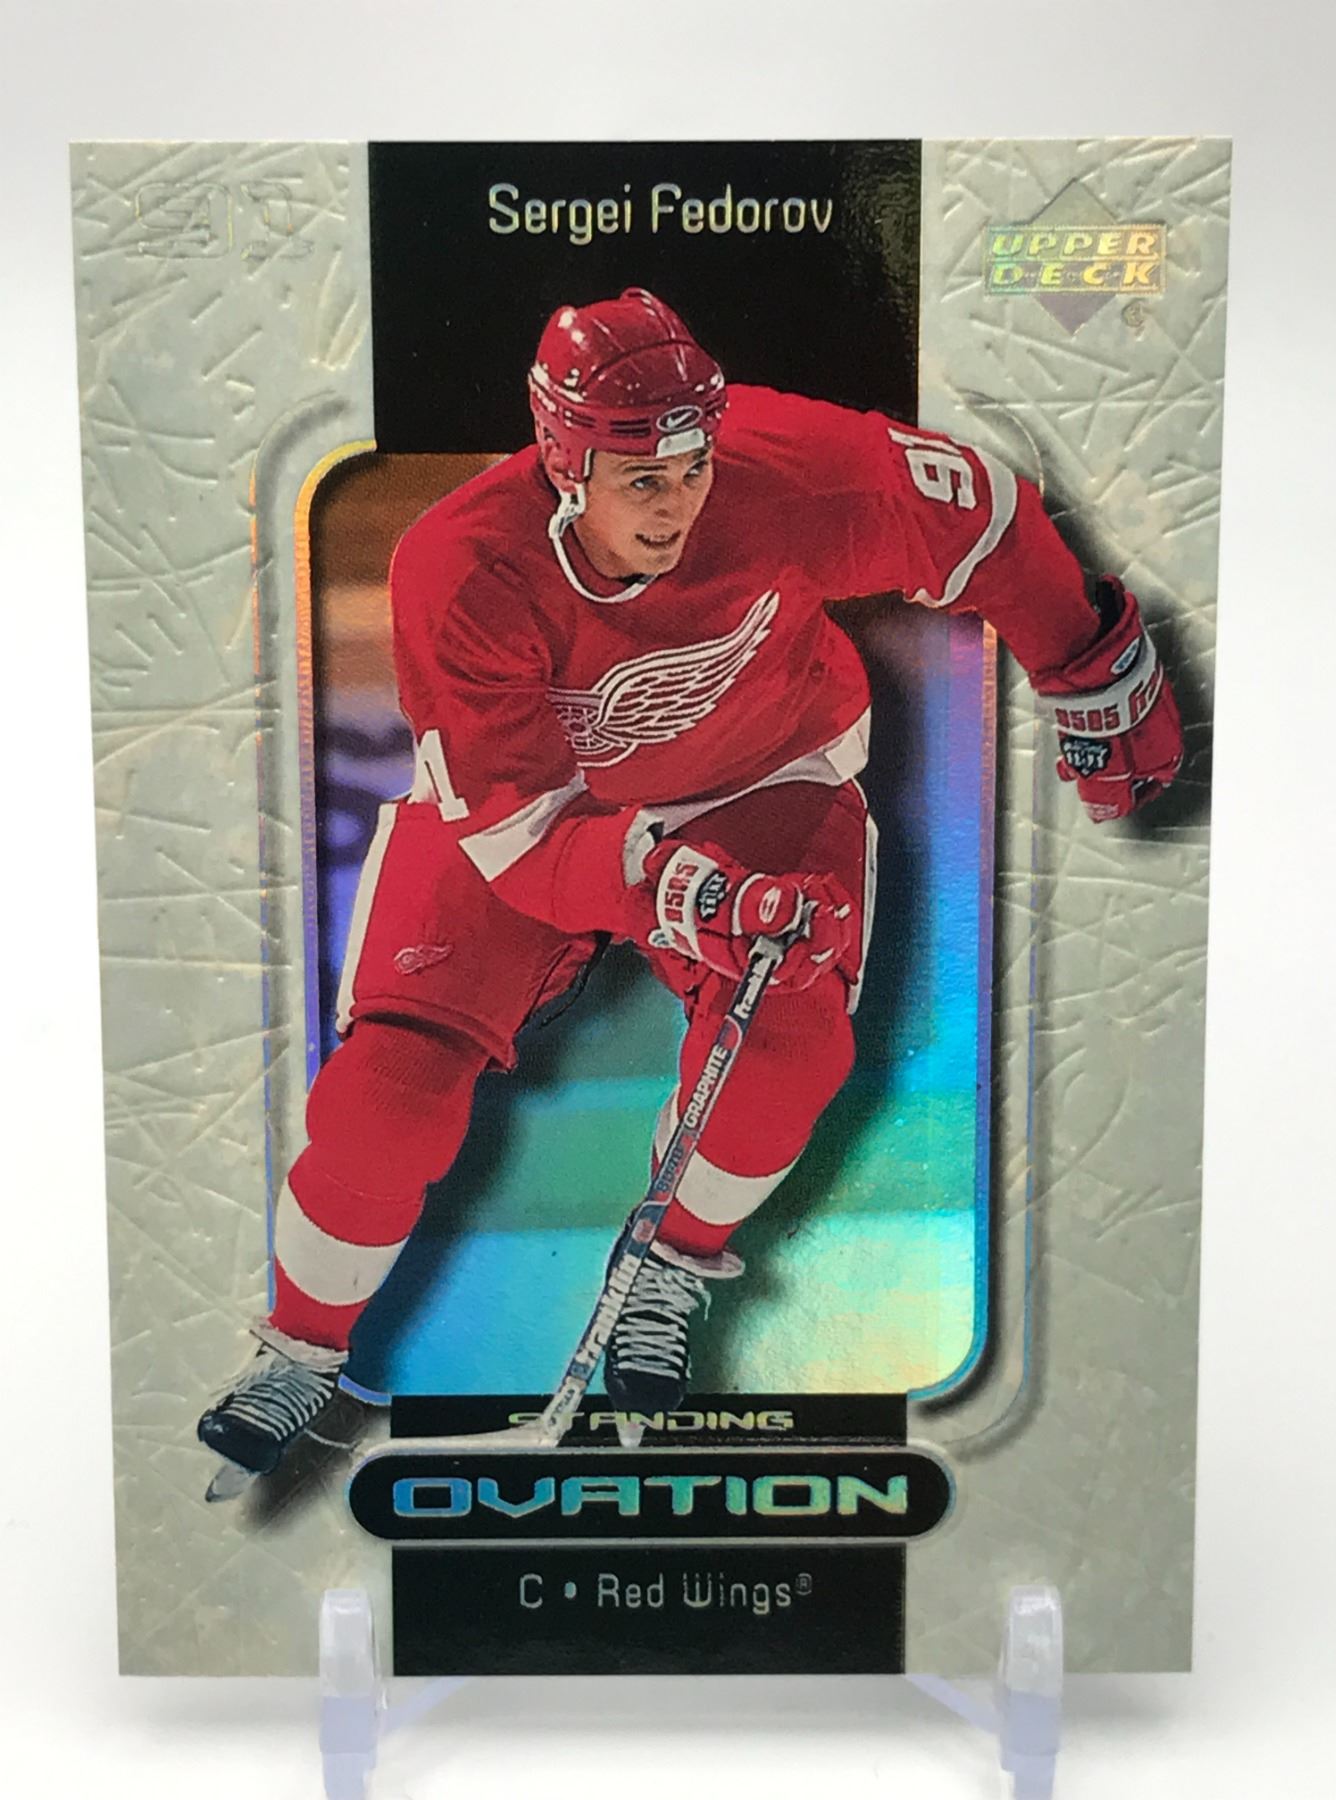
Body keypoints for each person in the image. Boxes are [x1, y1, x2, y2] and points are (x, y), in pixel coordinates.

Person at [198, 288, 1182, 1481]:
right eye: (643, 480)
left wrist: (1086, 662)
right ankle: (302, 1346)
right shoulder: (459, 564)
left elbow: (982, 516)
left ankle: (670, 1260)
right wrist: (683, 896)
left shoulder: (786, 470)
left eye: (695, 469)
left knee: (788, 1052)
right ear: (564, 462)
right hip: (540, 815)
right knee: (384, 1100)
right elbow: (520, 834)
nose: (679, 506)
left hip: (760, 774)